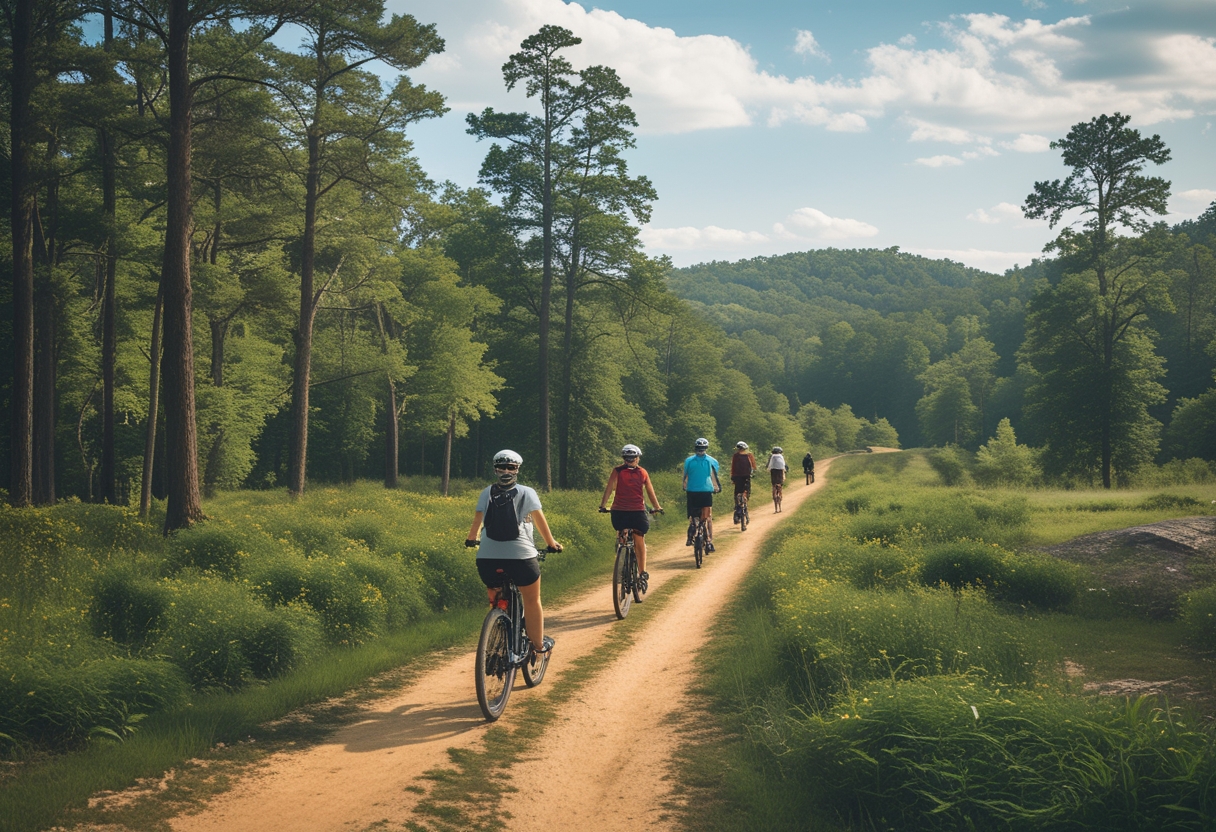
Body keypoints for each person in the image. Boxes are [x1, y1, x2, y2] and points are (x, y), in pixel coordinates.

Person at [465, 449, 562, 657]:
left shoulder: (486, 492)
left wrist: (472, 540)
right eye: (506, 467)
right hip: (521, 559)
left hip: (487, 559)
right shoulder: (527, 492)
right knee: (532, 600)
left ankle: (497, 621)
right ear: (518, 470)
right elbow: (540, 521)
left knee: (496, 592)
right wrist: (552, 544)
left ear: (495, 470)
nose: (507, 470)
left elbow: (477, 522)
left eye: (509, 467)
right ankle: (537, 646)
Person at [599, 444, 664, 593]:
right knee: (639, 537)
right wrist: (657, 507)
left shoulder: (617, 471)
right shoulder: (643, 473)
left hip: (618, 513)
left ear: (624, 459)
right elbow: (650, 492)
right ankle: (642, 572)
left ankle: (621, 562)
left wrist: (602, 505)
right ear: (637, 458)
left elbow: (609, 489)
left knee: (622, 533)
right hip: (637, 512)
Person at [682, 437, 722, 552]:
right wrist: (716, 489)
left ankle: (692, 530)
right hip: (706, 491)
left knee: (693, 516)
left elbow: (685, 476)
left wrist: (685, 487)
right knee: (708, 517)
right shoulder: (712, 461)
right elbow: (714, 476)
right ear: (706, 448)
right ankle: (709, 541)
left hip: (692, 491)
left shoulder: (688, 461)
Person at [730, 441, 758, 522]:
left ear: (738, 449)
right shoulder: (749, 455)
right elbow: (754, 467)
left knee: (737, 493)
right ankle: (745, 504)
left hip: (737, 477)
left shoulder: (735, 456)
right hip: (747, 477)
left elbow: (733, 467)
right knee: (746, 492)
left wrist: (732, 477)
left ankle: (737, 508)